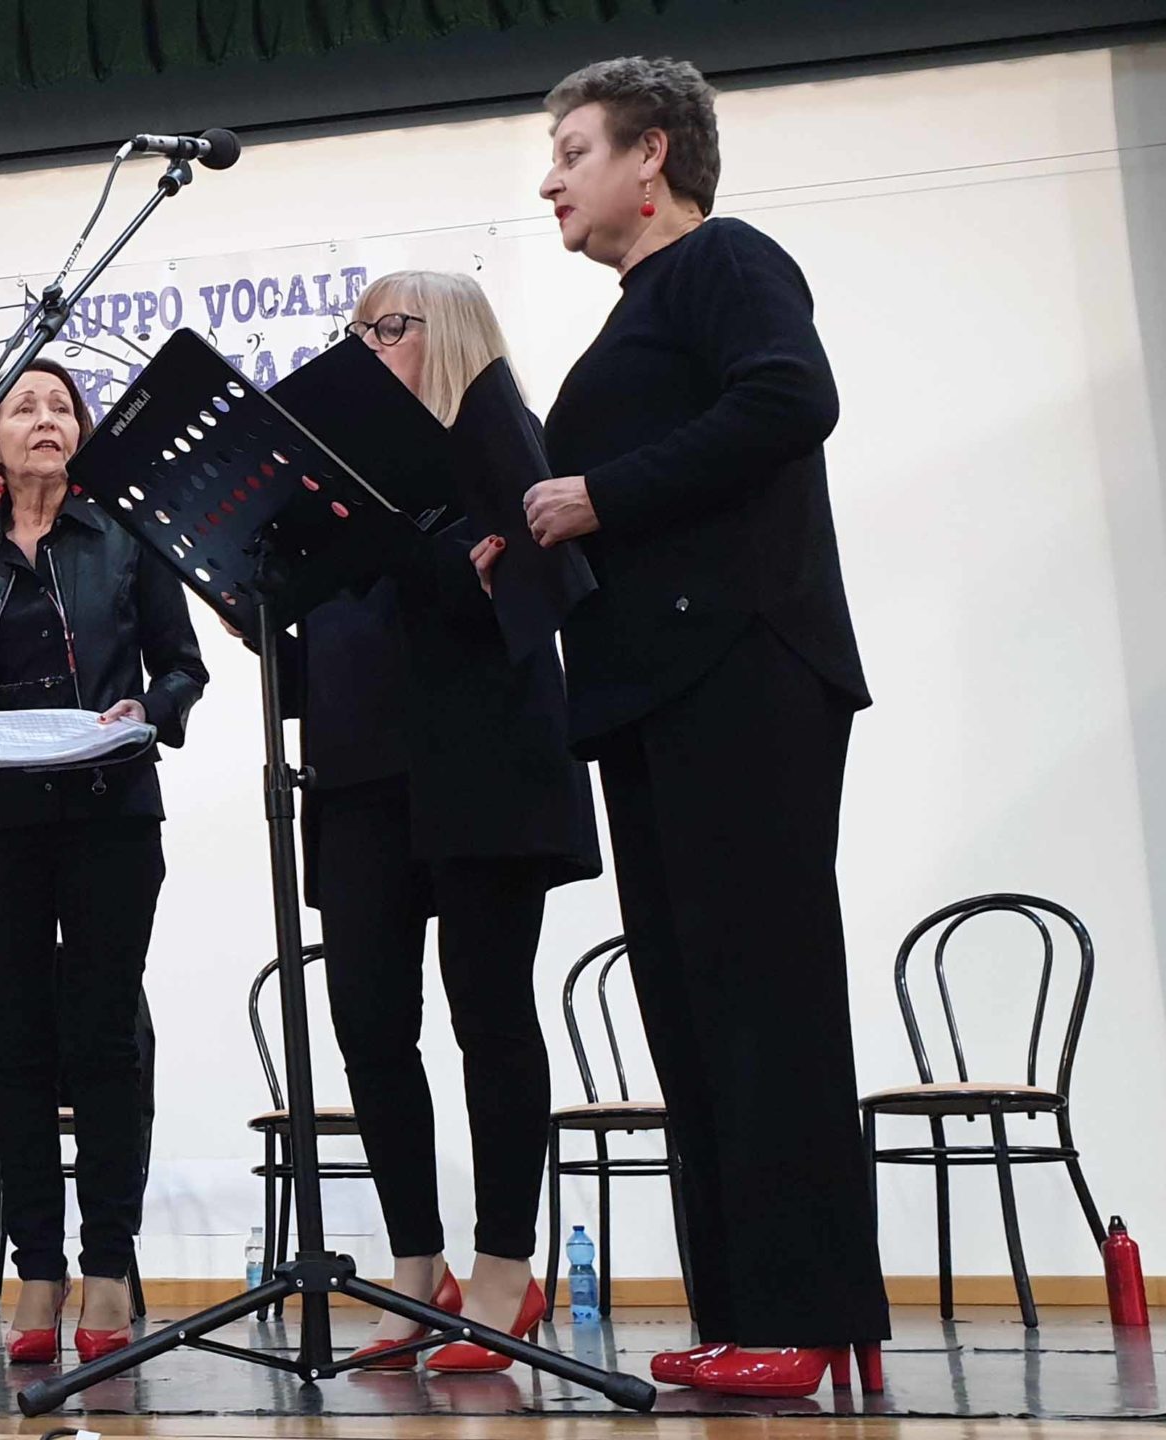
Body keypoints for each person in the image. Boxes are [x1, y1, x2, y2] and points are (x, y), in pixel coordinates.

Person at [494, 55, 888, 1398]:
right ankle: (746, 1310)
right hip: (655, 693)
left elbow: (790, 399)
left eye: (572, 151)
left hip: (743, 671)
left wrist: (597, 495)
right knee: (691, 1003)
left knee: (763, 995)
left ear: (650, 154)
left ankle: (806, 1311)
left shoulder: (727, 260)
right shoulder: (637, 314)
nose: (550, 181)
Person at [279, 273, 599, 1373]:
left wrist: (437, 561)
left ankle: (505, 1267)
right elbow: (319, 647)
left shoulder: (498, 439)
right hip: (358, 770)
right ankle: (417, 1269)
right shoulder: (336, 483)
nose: (366, 346)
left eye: (388, 327)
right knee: (368, 1022)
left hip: (481, 764)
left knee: (488, 1013)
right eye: (356, 330)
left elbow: (517, 594)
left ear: (450, 334)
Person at [0, 358, 207, 1365]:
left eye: (61, 406)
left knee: (104, 1041)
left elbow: (184, 665)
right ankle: (35, 1267)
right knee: (18, 1048)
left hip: (108, 808)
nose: (46, 419)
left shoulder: (125, 534)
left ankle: (107, 1265)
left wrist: (149, 711)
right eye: (24, 407)